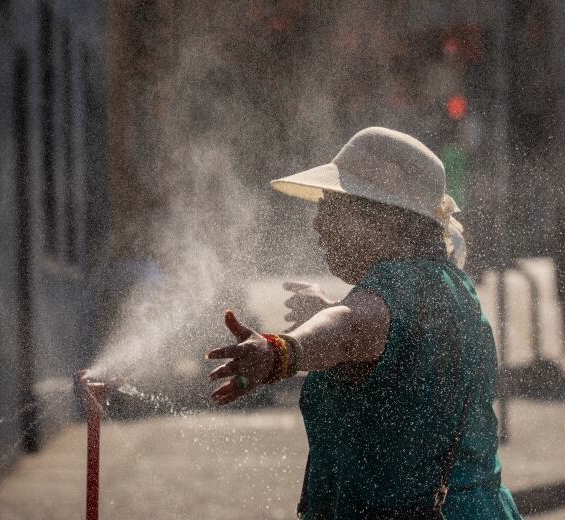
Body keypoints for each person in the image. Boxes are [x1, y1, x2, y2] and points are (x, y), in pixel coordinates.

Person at [207, 127, 523, 519]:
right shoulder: (449, 285)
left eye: (331, 206)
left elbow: (349, 330)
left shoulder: (391, 290)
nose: (317, 225)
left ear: (382, 220)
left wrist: (279, 351)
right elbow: (370, 328)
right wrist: (329, 309)